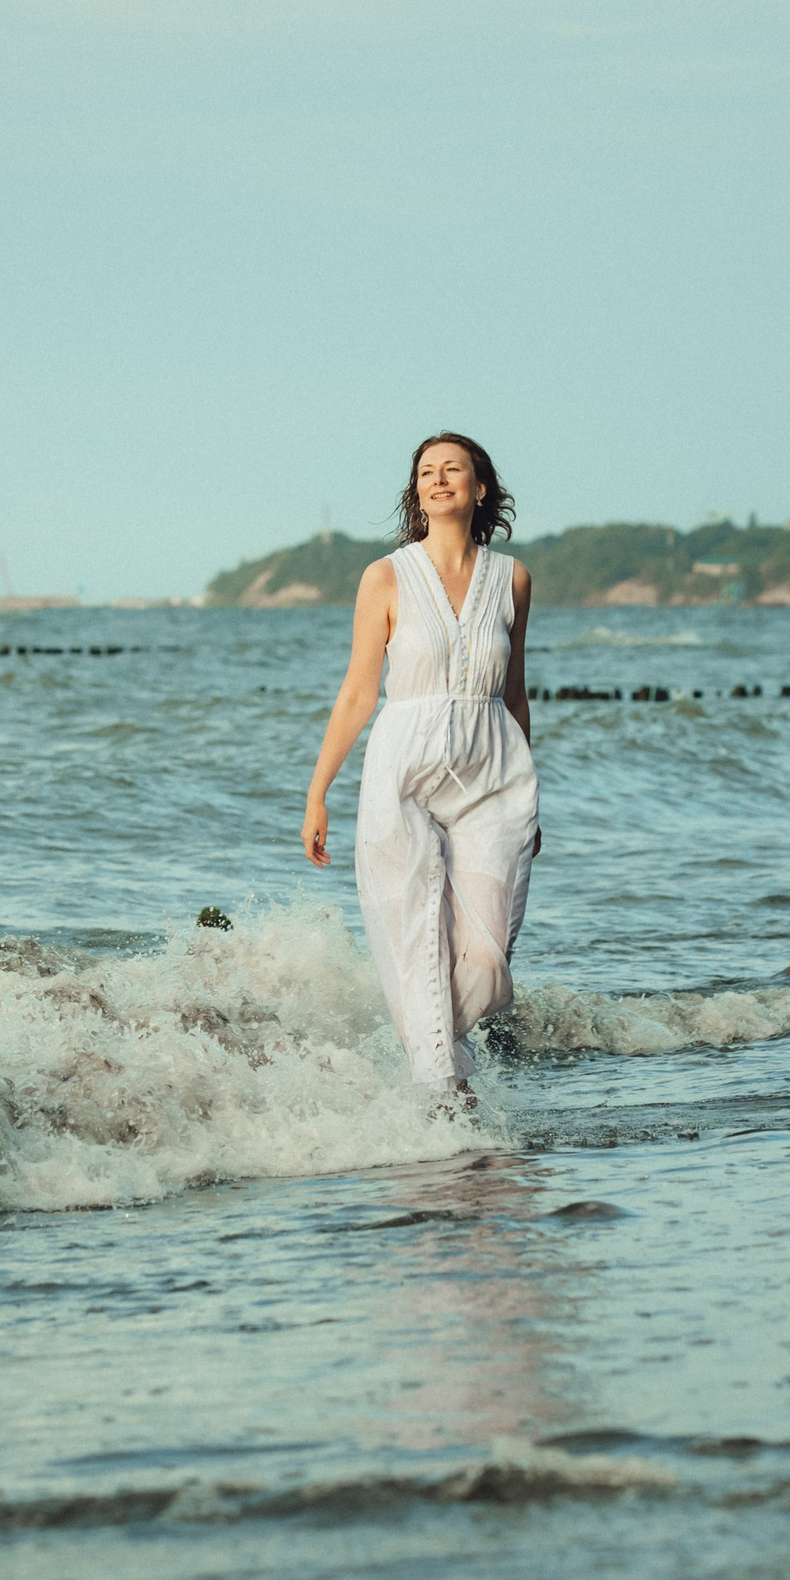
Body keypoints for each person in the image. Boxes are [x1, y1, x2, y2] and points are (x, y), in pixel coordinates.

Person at [303, 433, 542, 1106]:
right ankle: (445, 1105)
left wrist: (533, 799)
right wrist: (318, 792)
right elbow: (357, 693)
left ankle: (426, 1062)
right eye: (427, 473)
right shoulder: (385, 577)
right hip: (401, 768)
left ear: (479, 488)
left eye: (452, 470)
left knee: (488, 956)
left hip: (495, 771)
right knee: (415, 943)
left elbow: (516, 690)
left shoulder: (513, 578)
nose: (438, 480)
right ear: (418, 492)